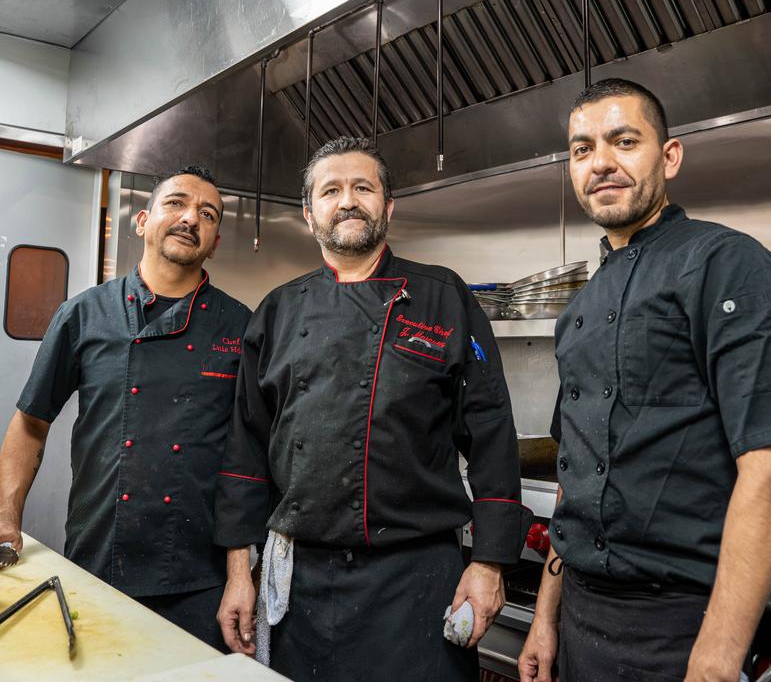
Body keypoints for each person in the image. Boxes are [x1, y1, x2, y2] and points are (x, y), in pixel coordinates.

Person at [214, 136, 533, 681]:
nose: (347, 201)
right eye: (330, 191)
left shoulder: (443, 296)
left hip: (418, 580)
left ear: (388, 206)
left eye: (363, 188)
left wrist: (489, 563)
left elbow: (491, 434)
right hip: (304, 582)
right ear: (309, 213)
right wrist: (239, 572)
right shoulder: (277, 311)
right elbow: (246, 451)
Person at [518, 78, 771, 682]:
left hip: (683, 622)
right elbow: (574, 474)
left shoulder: (726, 264)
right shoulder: (580, 307)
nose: (601, 162)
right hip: (581, 618)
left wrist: (717, 655)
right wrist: (545, 616)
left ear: (669, 157)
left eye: (624, 141)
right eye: (583, 149)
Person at [0, 166, 251, 650]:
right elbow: (31, 422)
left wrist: (241, 571)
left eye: (207, 214)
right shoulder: (84, 313)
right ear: (142, 221)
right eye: (175, 203)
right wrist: (6, 517)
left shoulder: (240, 325)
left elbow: (247, 459)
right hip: (98, 553)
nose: (190, 219)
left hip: (199, 574)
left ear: (215, 242)